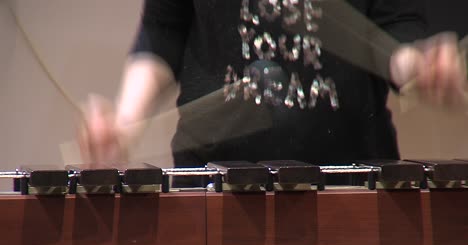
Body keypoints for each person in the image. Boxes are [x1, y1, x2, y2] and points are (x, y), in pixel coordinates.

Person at [79, 0, 468, 187]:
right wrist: (126, 122)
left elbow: (394, 27)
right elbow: (164, 28)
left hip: (351, 187)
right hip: (215, 190)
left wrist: (417, 65)